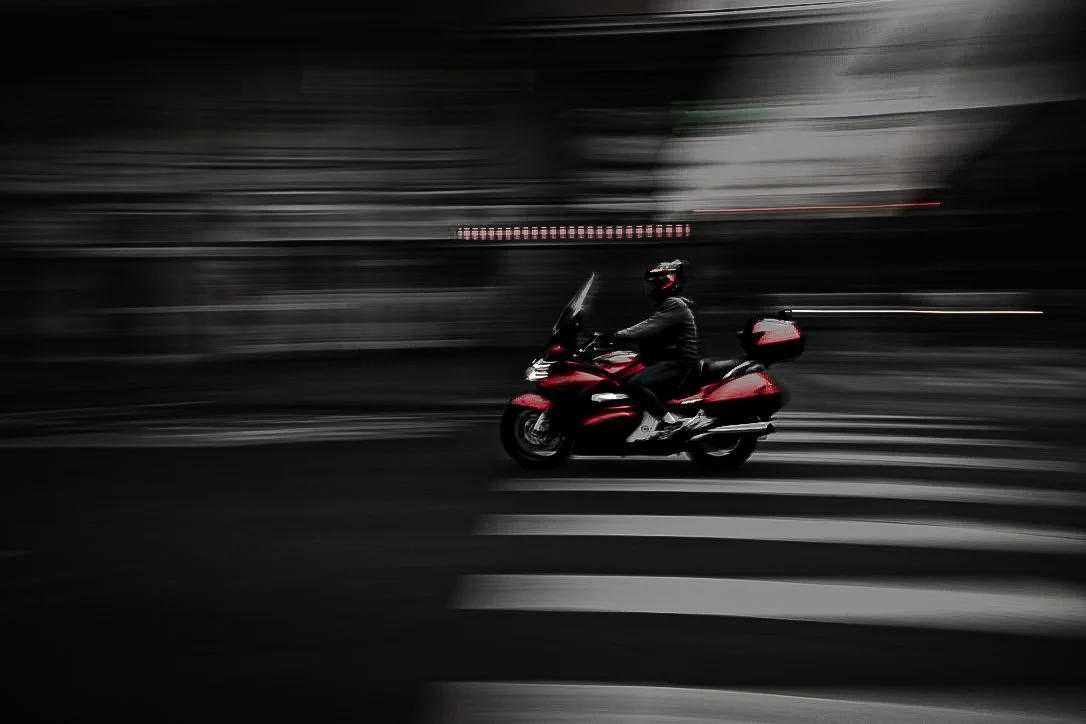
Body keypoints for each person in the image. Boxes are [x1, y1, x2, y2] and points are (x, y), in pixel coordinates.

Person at [600, 259, 700, 442]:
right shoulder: (672, 304)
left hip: (679, 362)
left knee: (636, 384)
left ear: (665, 282)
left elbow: (648, 328)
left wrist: (614, 336)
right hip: (670, 359)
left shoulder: (674, 304)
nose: (649, 288)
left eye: (653, 283)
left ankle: (669, 422)